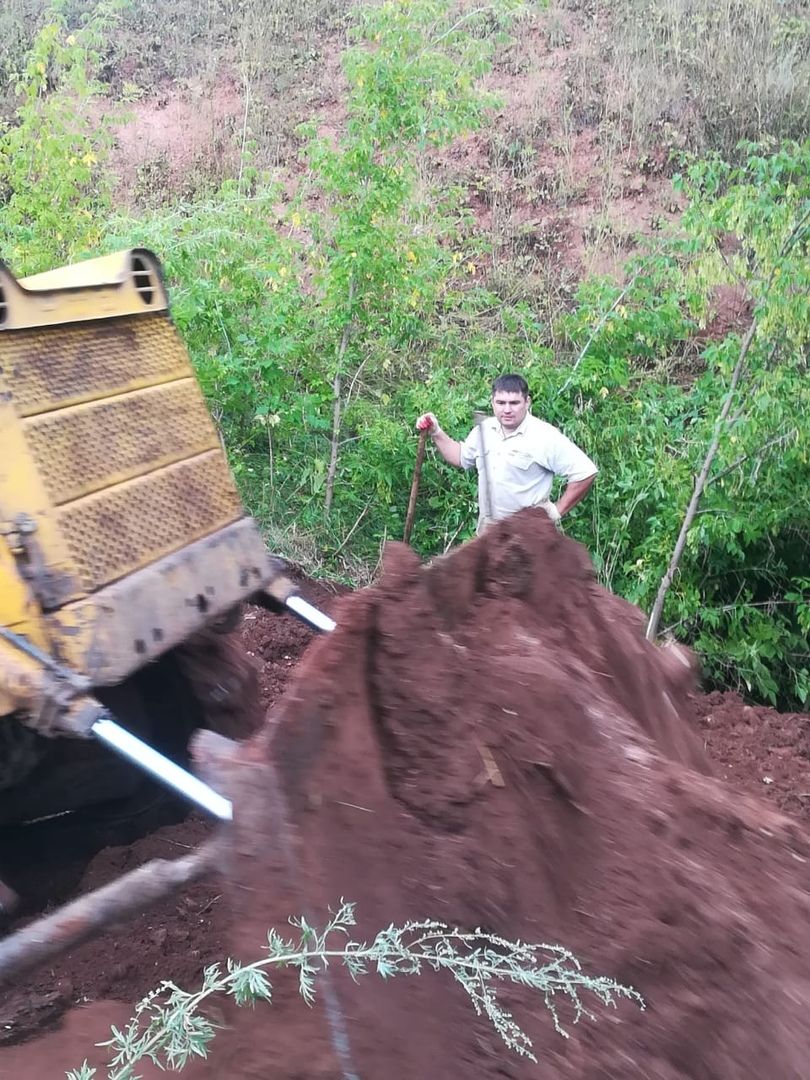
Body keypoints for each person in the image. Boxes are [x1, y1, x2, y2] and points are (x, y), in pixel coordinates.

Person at [416, 373, 597, 533]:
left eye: (514, 403)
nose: (507, 409)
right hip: (490, 531)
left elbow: (585, 471)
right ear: (492, 402)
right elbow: (460, 457)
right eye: (501, 403)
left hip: (530, 536)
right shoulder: (484, 430)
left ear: (527, 402)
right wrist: (436, 432)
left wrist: (556, 511)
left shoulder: (543, 436)